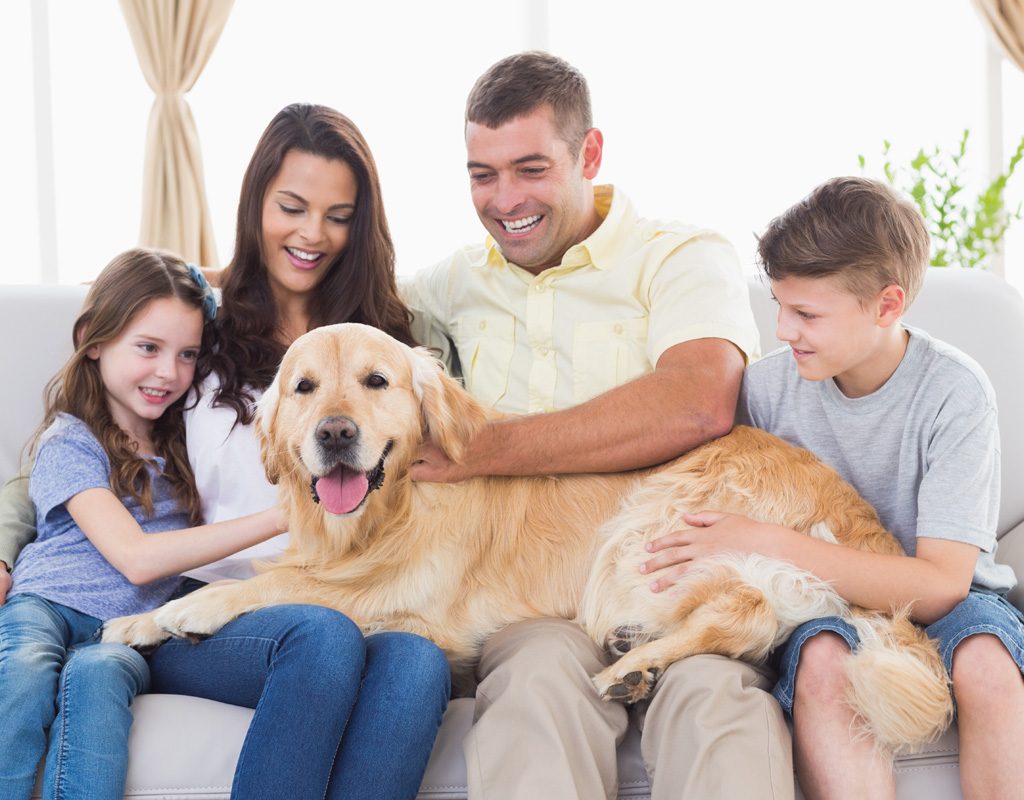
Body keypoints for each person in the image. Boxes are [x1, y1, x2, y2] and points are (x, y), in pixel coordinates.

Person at [0, 104, 450, 800]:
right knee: (321, 637)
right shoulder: (199, 330)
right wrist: (5, 548)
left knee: (418, 663)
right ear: (255, 206)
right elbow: (76, 442)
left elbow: (448, 458)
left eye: (338, 216)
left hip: (354, 583)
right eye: (291, 207)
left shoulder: (390, 337)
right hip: (213, 599)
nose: (311, 234)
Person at [404, 52, 790, 799]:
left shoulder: (677, 256)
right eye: (482, 175)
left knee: (717, 701)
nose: (505, 199)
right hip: (536, 598)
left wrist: (484, 450)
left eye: (531, 169)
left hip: (676, 572)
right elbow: (340, 297)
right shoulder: (454, 282)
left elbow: (699, 400)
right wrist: (198, 285)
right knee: (533, 690)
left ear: (589, 154)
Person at [643, 176, 1024, 799]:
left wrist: (767, 541)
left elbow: (941, 586)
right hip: (817, 602)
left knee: (986, 661)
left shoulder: (954, 393)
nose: (783, 330)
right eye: (779, 307)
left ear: (887, 306)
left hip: (952, 601)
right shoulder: (765, 391)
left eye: (806, 315)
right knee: (823, 663)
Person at [0, 248, 287, 800]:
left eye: (187, 354)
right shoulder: (70, 441)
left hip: (128, 629)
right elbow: (136, 559)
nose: (168, 372)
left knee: (101, 677)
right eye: (148, 348)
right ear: (93, 339)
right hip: (50, 604)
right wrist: (279, 518)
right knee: (25, 674)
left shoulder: (188, 442)